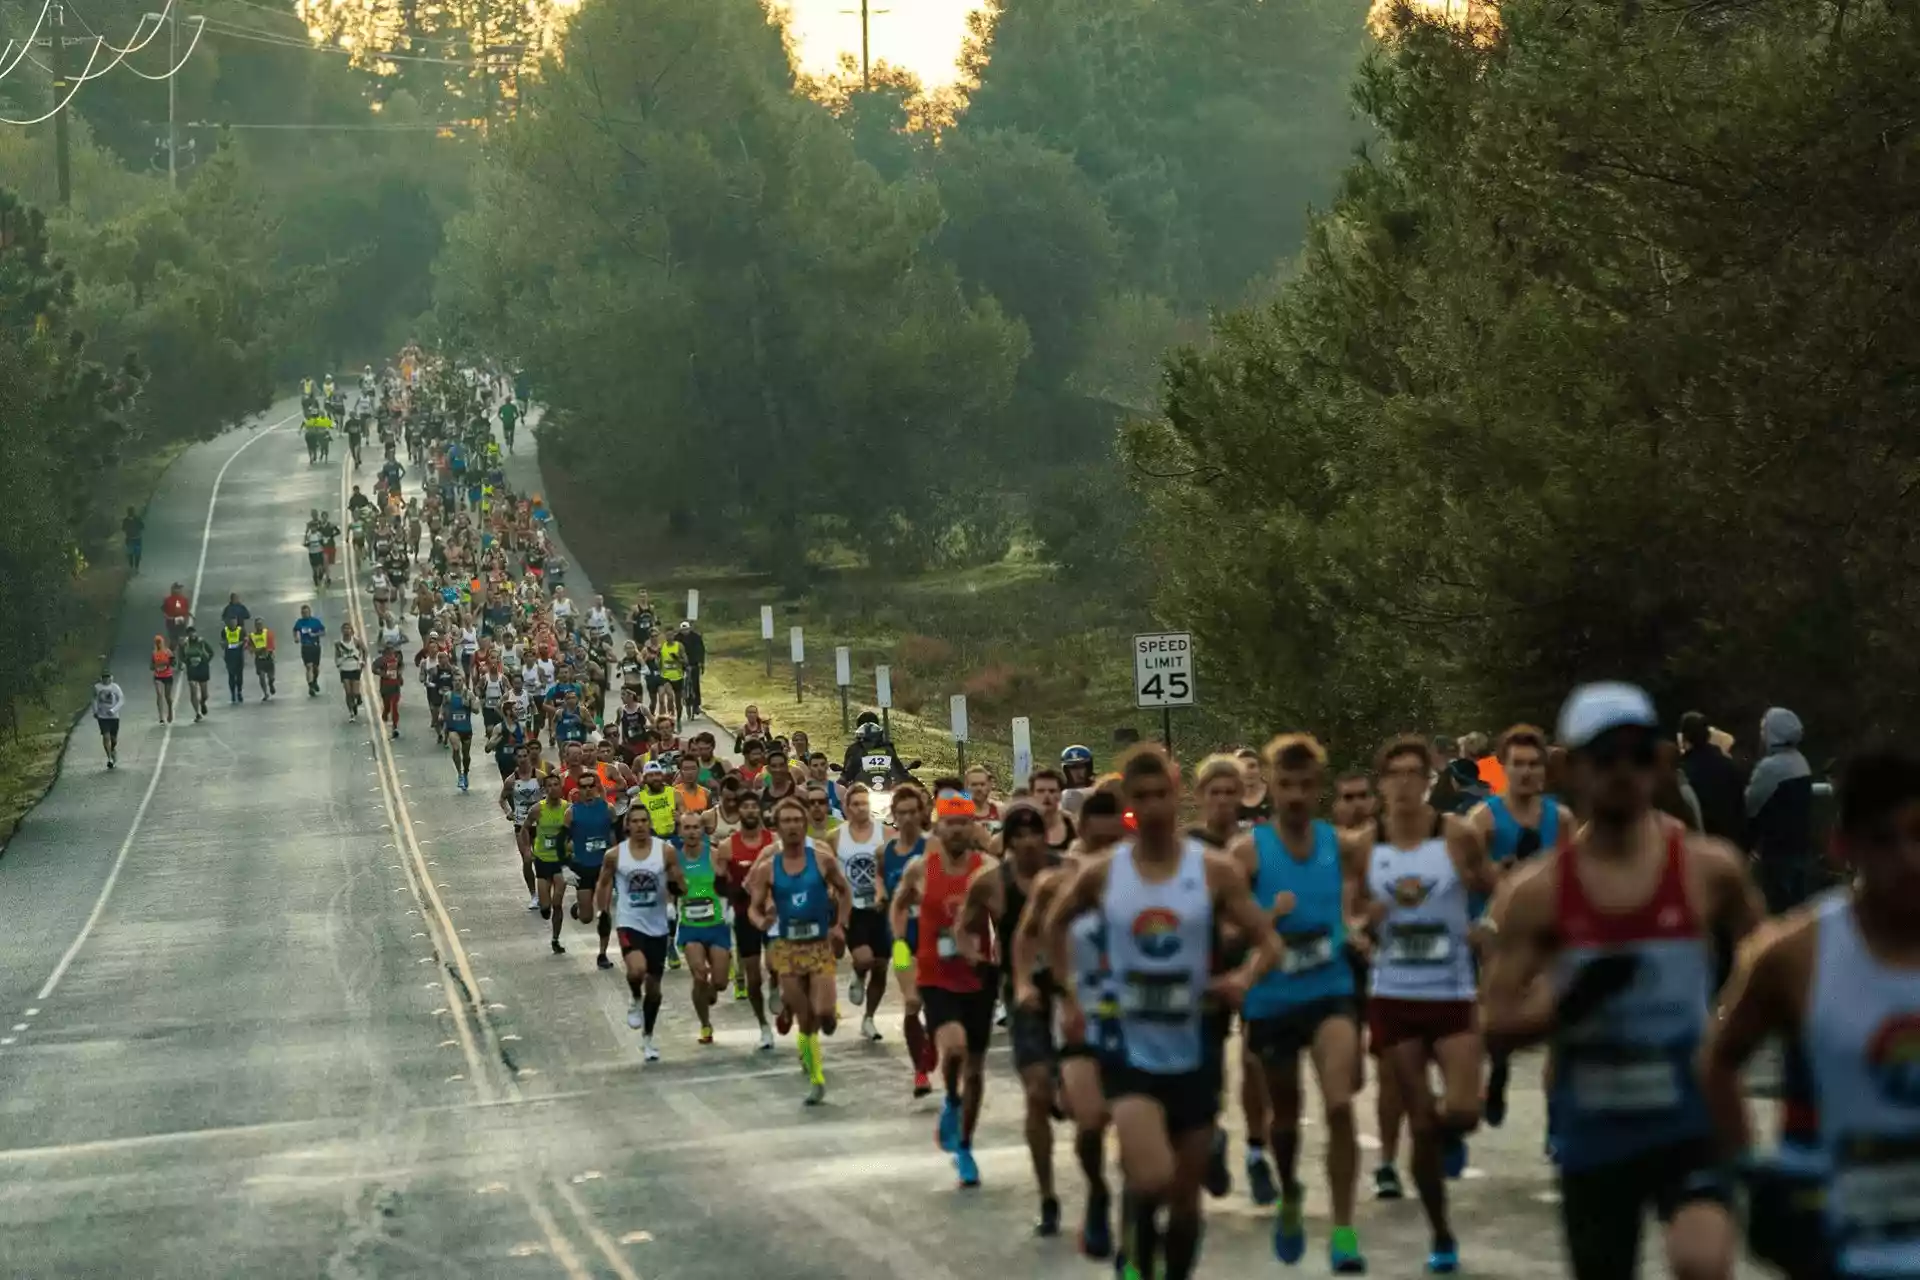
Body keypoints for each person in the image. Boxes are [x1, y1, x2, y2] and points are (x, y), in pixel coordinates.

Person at [1484, 682, 1761, 1280]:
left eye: (1638, 755)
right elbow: (1493, 1025)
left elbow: (1774, 969)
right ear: (1571, 768)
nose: (1622, 772)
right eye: (1604, 757)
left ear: (1659, 762)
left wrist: (1726, 1039)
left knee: (1703, 1260)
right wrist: (1567, 1005)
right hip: (1594, 1128)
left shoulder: (1710, 869)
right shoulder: (1537, 894)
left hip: (1688, 1118)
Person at [1034, 745, 1283, 1280]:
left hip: (1195, 1045)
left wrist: (1242, 978)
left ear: (1178, 797)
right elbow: (1054, 927)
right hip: (1127, 1045)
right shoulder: (1102, 874)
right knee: (1151, 1177)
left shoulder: (1213, 871)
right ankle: (1133, 1247)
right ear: (1129, 804)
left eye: (1160, 795)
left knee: (1187, 1202)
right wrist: (1072, 992)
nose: (1151, 807)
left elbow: (1268, 942)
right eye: (1139, 798)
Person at [1700, 745, 1920, 1280]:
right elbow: (1716, 1060)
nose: (1910, 859)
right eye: (1885, 840)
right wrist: (1749, 1168)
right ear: (1843, 846)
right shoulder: (1791, 954)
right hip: (1833, 1242)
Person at [1355, 734, 1499, 1275]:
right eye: (1394, 774)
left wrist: (1486, 924)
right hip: (1394, 995)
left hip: (1452, 992)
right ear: (1382, 783)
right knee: (1417, 1115)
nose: (1405, 784)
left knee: (1462, 1110)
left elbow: (1496, 886)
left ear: (1427, 781)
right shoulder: (1366, 845)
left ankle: (1446, 1133)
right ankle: (1441, 1232)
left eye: (1415, 773)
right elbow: (1349, 911)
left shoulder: (1456, 834)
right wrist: (1361, 931)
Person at [1231, 735, 1369, 1273]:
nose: (1294, 795)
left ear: (1318, 789)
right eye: (1284, 784)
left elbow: (1371, 894)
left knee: (1338, 1103)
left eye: (1305, 785)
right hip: (1272, 998)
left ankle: (1343, 1229)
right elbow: (1225, 924)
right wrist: (1268, 919)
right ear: (1269, 784)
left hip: (1329, 988)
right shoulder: (1248, 853)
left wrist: (1357, 924)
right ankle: (1289, 1190)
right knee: (1283, 1116)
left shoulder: (1344, 845)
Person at [1014, 785, 1130, 1257]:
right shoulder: (1055, 880)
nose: (1107, 852)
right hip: (1079, 1011)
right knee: (1090, 1120)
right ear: (1080, 832)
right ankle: (1098, 1190)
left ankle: (1133, 1213)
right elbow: (1025, 939)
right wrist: (1025, 983)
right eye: (1098, 843)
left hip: (1136, 1015)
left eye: (1115, 843)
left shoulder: (1140, 876)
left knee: (1133, 1118)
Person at [1466, 724, 1576, 1129]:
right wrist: (1497, 875)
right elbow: (1465, 873)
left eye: (1534, 764)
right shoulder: (1484, 819)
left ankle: (1556, 1122)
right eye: (1519, 764)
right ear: (1504, 768)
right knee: (1501, 1019)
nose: (1527, 773)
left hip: (1549, 932)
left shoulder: (1560, 818)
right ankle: (1497, 1071)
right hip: (1498, 933)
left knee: (1558, 1023)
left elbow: (1575, 872)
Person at [893, 781, 1001, 1186]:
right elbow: (900, 906)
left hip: (977, 976)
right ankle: (952, 1100)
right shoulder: (921, 869)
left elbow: (1003, 920)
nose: (957, 830)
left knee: (975, 1067)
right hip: (934, 974)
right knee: (952, 1047)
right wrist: (902, 944)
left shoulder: (986, 871)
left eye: (964, 823)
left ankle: (965, 1144)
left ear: (974, 827)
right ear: (938, 827)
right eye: (950, 823)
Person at [962, 800, 1061, 1228]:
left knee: (1088, 1108)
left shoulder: (1070, 873)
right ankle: (1048, 1196)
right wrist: (973, 957)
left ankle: (1095, 1188)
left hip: (1072, 992)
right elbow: (964, 926)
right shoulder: (990, 883)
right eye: (1017, 836)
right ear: (1007, 841)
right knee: (1036, 1092)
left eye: (1033, 833)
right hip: (1023, 995)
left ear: (1045, 836)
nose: (1026, 843)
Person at [748, 795, 853, 1104]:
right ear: (777, 827)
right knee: (805, 1017)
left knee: (825, 1015)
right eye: (787, 821)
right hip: (787, 948)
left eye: (797, 820)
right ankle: (816, 1077)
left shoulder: (822, 859)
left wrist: (839, 925)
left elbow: (844, 892)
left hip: (819, 946)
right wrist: (761, 922)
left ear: (805, 824)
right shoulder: (767, 867)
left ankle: (816, 1041)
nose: (793, 826)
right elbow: (753, 909)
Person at [599, 805, 687, 1063]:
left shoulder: (665, 851)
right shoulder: (615, 855)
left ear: (649, 824)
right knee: (636, 970)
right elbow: (603, 884)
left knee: (656, 990)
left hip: (657, 925)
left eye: (643, 821)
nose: (639, 825)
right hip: (630, 922)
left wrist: (674, 896)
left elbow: (679, 882)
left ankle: (648, 1038)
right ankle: (635, 998)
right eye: (633, 821)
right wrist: (602, 912)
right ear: (627, 825)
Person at [883, 782, 938, 1096]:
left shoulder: (933, 848)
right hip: (902, 941)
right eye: (900, 813)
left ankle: (931, 1047)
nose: (906, 818)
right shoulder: (886, 852)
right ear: (893, 815)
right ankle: (920, 1071)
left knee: (934, 1003)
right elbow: (883, 885)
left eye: (911, 812)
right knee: (912, 1000)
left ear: (921, 814)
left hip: (934, 938)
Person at [671, 809, 733, 1046]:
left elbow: (728, 883)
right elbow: (669, 888)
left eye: (696, 827)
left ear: (702, 830)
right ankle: (705, 1026)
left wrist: (730, 908)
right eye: (687, 828)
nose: (692, 832)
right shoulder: (674, 859)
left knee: (719, 983)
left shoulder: (714, 855)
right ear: (680, 832)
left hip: (716, 925)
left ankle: (719, 976)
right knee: (699, 975)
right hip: (690, 926)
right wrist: (669, 906)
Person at [1748, 706, 1817, 914]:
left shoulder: (1770, 768)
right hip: (1800, 849)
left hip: (1776, 854)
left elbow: (1751, 805)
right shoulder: (1800, 761)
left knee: (1777, 910)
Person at [835, 783, 890, 1042]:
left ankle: (869, 1018)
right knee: (865, 959)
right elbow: (826, 867)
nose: (861, 809)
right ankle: (857, 974)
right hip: (853, 908)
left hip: (880, 908)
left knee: (880, 967)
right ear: (846, 808)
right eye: (855, 804)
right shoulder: (836, 836)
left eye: (865, 803)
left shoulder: (885, 833)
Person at [724, 792, 779, 1047]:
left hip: (772, 914)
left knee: (775, 965)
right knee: (754, 979)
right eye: (744, 807)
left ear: (760, 811)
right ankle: (763, 1026)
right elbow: (719, 884)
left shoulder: (774, 842)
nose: (749, 811)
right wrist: (724, 903)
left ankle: (777, 986)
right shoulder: (728, 846)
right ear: (738, 813)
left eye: (753, 807)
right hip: (744, 916)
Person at [1677, 711, 1747, 845]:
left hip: (1703, 846)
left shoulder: (1684, 772)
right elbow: (1741, 806)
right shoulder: (1728, 765)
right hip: (1732, 844)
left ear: (1685, 737)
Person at [524, 772, 572, 952]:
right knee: (546, 908)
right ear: (545, 790)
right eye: (549, 786)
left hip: (561, 860)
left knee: (557, 903)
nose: (553, 789)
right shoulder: (538, 809)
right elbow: (525, 829)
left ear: (561, 787)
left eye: (556, 785)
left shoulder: (569, 809)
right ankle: (545, 908)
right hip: (543, 859)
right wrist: (527, 850)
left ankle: (555, 939)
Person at [444, 675, 475, 791]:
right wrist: (442, 715)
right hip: (453, 729)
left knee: (466, 756)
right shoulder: (448, 695)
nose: (457, 682)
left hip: (466, 729)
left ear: (463, 682)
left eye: (459, 680)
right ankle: (460, 775)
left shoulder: (469, 694)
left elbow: (477, 710)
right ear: (452, 682)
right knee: (456, 749)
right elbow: (444, 708)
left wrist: (469, 705)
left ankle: (466, 772)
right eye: (455, 681)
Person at [92, 669, 125, 768]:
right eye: (104, 677)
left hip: (114, 717)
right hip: (102, 717)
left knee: (113, 739)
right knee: (106, 737)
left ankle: (112, 749)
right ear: (101, 678)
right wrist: (95, 711)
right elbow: (94, 699)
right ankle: (110, 758)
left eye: (108, 677)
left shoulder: (115, 687)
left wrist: (113, 710)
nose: (106, 679)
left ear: (111, 677)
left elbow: (121, 700)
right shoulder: (97, 687)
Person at [335, 624, 368, 722]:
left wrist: (363, 661)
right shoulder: (338, 643)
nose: (346, 631)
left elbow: (365, 651)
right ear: (342, 631)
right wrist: (338, 663)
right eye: (344, 629)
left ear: (351, 631)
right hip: (345, 669)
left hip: (355, 668)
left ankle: (357, 698)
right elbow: (337, 655)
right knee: (348, 692)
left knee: (355, 692)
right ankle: (351, 713)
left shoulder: (356, 641)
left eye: (348, 629)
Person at [181, 626, 214, 722]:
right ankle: (197, 713)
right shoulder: (185, 644)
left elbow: (211, 652)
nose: (192, 635)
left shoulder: (202, 642)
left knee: (205, 694)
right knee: (193, 690)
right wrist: (186, 662)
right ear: (188, 635)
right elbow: (180, 655)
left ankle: (202, 703)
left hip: (202, 667)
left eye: (193, 633)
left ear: (196, 633)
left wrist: (206, 661)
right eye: (190, 633)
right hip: (192, 669)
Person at [293, 606, 326, 697]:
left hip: (315, 646)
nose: (305, 614)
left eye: (306, 612)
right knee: (308, 666)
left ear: (310, 612)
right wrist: (296, 637)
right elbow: (295, 630)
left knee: (315, 667)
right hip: (305, 647)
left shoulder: (315, 621)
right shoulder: (299, 622)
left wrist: (315, 634)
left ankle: (314, 681)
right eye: (303, 613)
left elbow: (323, 632)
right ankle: (310, 686)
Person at [678, 620, 705, 716]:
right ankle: (682, 697)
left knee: (695, 683)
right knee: (679, 682)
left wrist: (701, 663)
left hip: (694, 662)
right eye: (683, 630)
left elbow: (701, 650)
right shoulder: (677, 638)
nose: (685, 631)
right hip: (681, 663)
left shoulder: (696, 637)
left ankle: (696, 705)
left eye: (686, 629)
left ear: (689, 629)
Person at [248, 618, 277, 701]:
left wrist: (268, 650)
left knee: (271, 677)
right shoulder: (251, 636)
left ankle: (271, 684)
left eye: (260, 624)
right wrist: (257, 650)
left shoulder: (268, 633)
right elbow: (250, 648)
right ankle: (265, 693)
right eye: (257, 624)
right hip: (259, 659)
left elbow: (272, 646)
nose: (259, 626)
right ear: (255, 626)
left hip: (269, 657)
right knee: (261, 676)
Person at [149, 635, 174, 724]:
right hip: (158, 676)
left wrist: (167, 664)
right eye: (157, 642)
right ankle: (161, 716)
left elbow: (173, 663)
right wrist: (156, 666)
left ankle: (170, 712)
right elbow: (151, 666)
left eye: (160, 642)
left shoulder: (168, 652)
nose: (158, 644)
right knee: (159, 694)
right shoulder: (154, 653)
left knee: (167, 696)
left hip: (167, 675)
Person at [122, 507, 144, 572]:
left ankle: (134, 567)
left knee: (132, 554)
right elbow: (142, 526)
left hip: (131, 539)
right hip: (136, 539)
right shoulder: (137, 519)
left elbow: (123, 528)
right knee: (134, 554)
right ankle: (134, 568)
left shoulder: (126, 520)